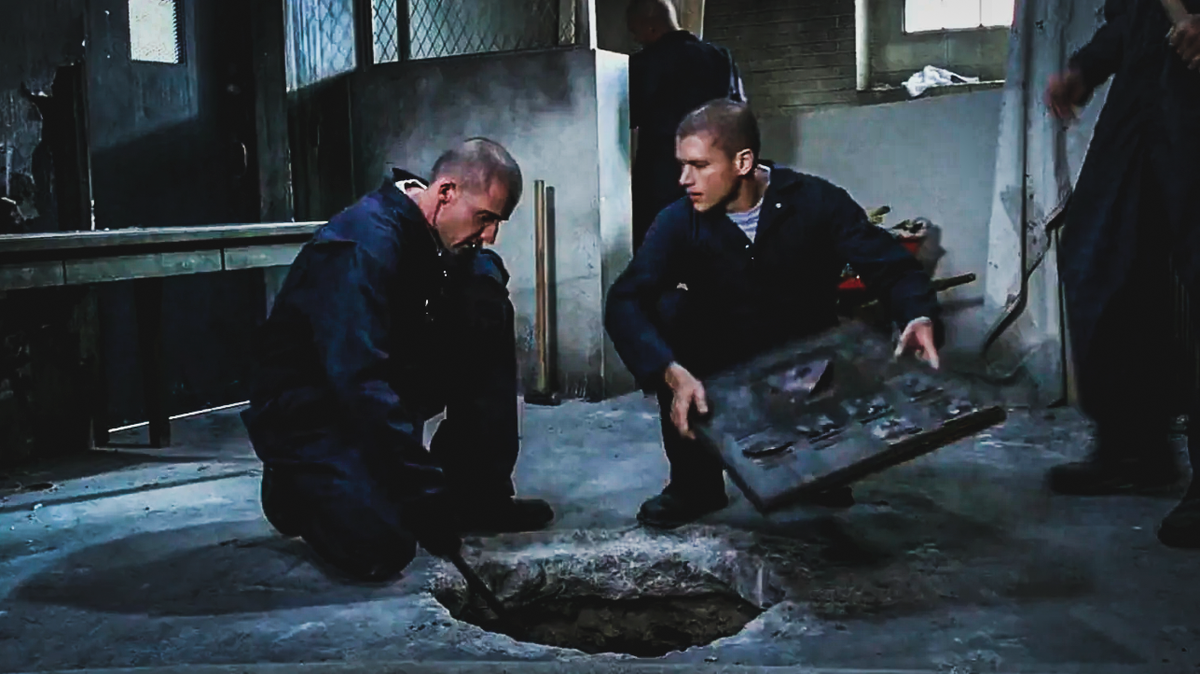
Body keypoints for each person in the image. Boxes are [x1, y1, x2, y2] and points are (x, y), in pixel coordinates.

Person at [604, 99, 943, 529]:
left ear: (743, 162)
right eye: (682, 165)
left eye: (700, 165)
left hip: (802, 355)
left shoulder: (815, 201)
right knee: (671, 310)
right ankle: (696, 484)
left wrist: (917, 316)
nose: (684, 179)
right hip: (721, 359)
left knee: (828, 404)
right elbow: (625, 300)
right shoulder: (678, 221)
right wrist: (670, 372)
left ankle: (819, 464)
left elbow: (889, 265)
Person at [241, 138, 554, 582]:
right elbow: (358, 380)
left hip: (371, 385)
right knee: (384, 544)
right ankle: (294, 488)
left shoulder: (434, 231)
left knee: (486, 307)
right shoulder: (362, 248)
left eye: (496, 223)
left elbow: (478, 268)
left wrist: (485, 279)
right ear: (446, 192)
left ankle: (477, 494)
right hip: (312, 411)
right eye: (485, 218)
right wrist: (421, 490)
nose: (489, 235)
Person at [1043, 0, 1200, 549]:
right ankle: (1134, 446)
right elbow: (1139, 13)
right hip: (1148, 78)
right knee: (1099, 252)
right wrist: (1087, 68)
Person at [627, 0, 746, 252]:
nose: (636, 39)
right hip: (714, 172)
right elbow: (739, 115)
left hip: (660, 178)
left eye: (635, 31)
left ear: (650, 26)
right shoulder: (720, 57)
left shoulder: (643, 64)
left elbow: (628, 115)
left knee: (661, 250)